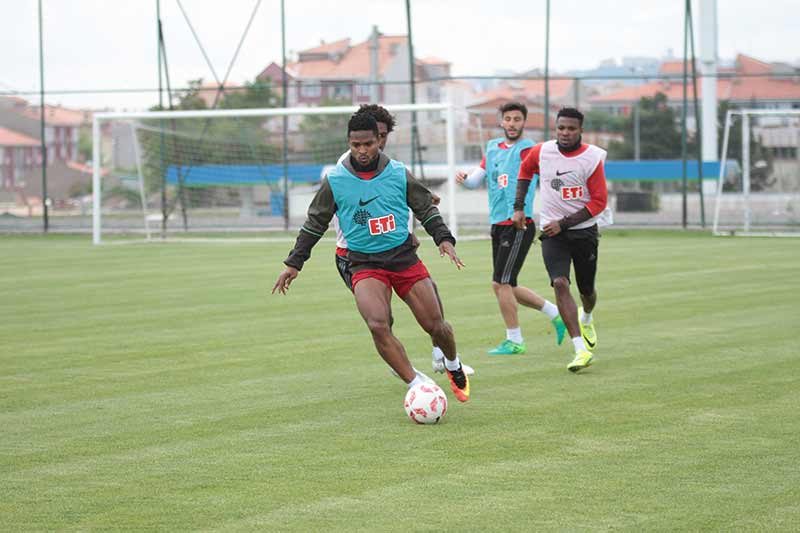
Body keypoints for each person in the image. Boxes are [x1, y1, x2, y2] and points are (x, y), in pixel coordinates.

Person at [273, 113, 472, 402]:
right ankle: (417, 385)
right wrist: (294, 263)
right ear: (348, 143)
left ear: (379, 141)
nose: (362, 151)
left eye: (368, 144)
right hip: (364, 263)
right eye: (356, 145)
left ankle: (453, 365)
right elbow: (315, 223)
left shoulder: (398, 172)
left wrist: (444, 239)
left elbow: (425, 207)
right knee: (378, 324)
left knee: (436, 326)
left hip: (403, 258)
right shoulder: (336, 180)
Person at [330, 105, 473, 376]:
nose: (376, 144)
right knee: (381, 319)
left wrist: (417, 215)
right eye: (371, 139)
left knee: (430, 296)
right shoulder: (345, 167)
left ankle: (440, 357)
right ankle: (405, 369)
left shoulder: (386, 165)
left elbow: (394, 201)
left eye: (382, 137)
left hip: (392, 251)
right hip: (353, 255)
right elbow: (366, 209)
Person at [456, 101, 566, 355]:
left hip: (518, 224)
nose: (512, 123)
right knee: (506, 284)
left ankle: (515, 340)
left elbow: (550, 176)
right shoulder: (493, 147)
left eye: (517, 119)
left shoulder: (529, 149)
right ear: (501, 122)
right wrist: (464, 180)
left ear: (524, 122)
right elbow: (476, 180)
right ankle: (555, 313)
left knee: (501, 283)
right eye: (508, 119)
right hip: (497, 223)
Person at [512, 107, 608, 372]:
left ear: (580, 130)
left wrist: (563, 223)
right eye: (561, 128)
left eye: (571, 129)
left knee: (586, 291)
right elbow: (524, 171)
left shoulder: (591, 158)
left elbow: (599, 202)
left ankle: (586, 316)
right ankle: (580, 349)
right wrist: (518, 207)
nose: (565, 133)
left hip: (584, 232)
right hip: (552, 235)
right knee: (560, 283)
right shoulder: (542, 151)